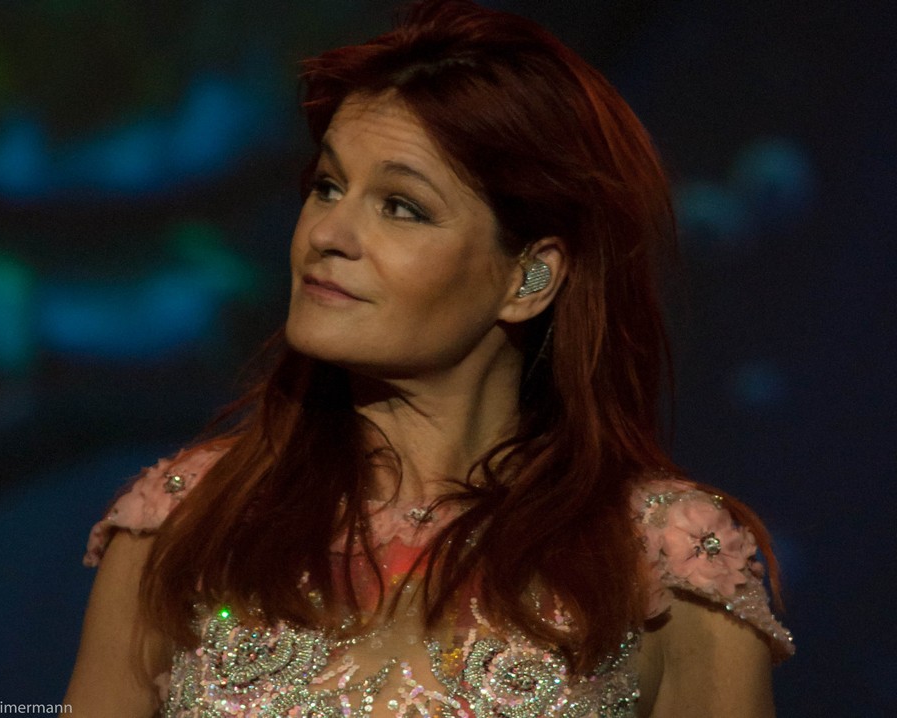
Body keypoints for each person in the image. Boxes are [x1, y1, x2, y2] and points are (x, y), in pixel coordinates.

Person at [63, 1, 793, 716]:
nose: (327, 233)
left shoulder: (665, 563)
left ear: (529, 278)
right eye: (328, 187)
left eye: (401, 206)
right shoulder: (184, 526)